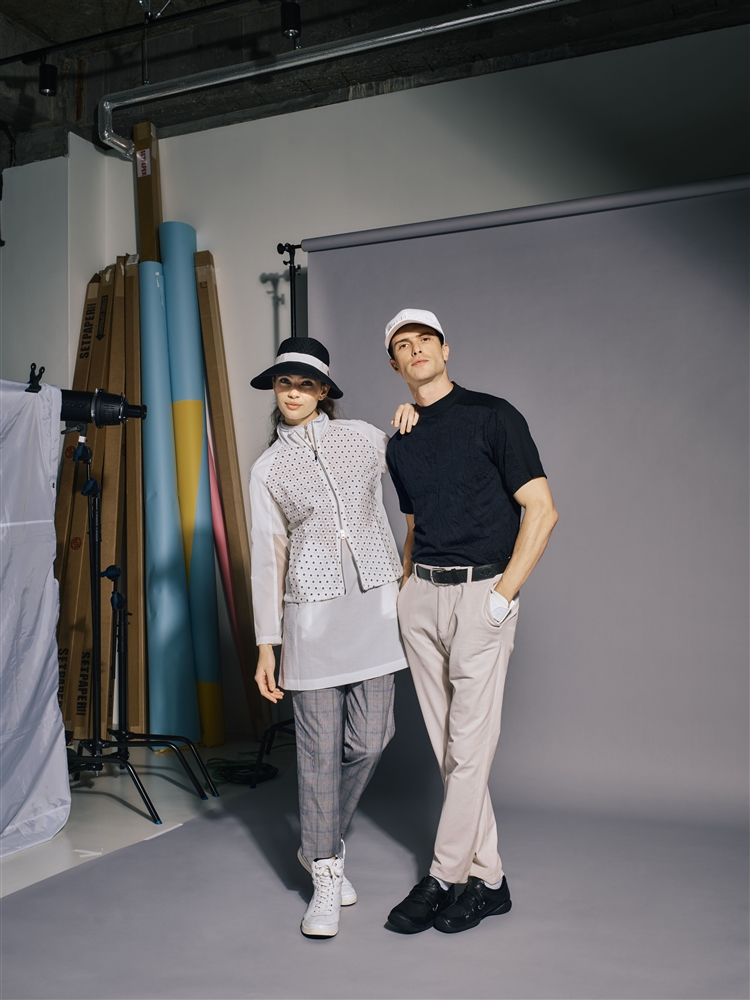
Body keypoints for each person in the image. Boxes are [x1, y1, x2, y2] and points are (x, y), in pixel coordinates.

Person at [384, 308, 559, 935]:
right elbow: (412, 525)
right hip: (421, 599)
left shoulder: (494, 415)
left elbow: (542, 509)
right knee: (449, 750)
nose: (416, 350)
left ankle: (443, 876)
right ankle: (491, 882)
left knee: (467, 748)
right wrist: (404, 590)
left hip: (482, 593)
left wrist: (503, 596)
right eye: (403, 346)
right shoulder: (399, 439)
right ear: (396, 366)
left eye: (424, 339)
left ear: (445, 348)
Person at [248, 336, 416, 939]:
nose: (293, 393)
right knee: (317, 753)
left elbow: (420, 466)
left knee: (372, 739)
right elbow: (267, 558)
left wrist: (414, 413)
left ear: (323, 391)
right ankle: (324, 871)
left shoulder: (367, 438)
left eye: (305, 384)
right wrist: (267, 644)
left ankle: (319, 838)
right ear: (276, 390)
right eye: (284, 383)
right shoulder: (267, 468)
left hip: (375, 609)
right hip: (311, 620)